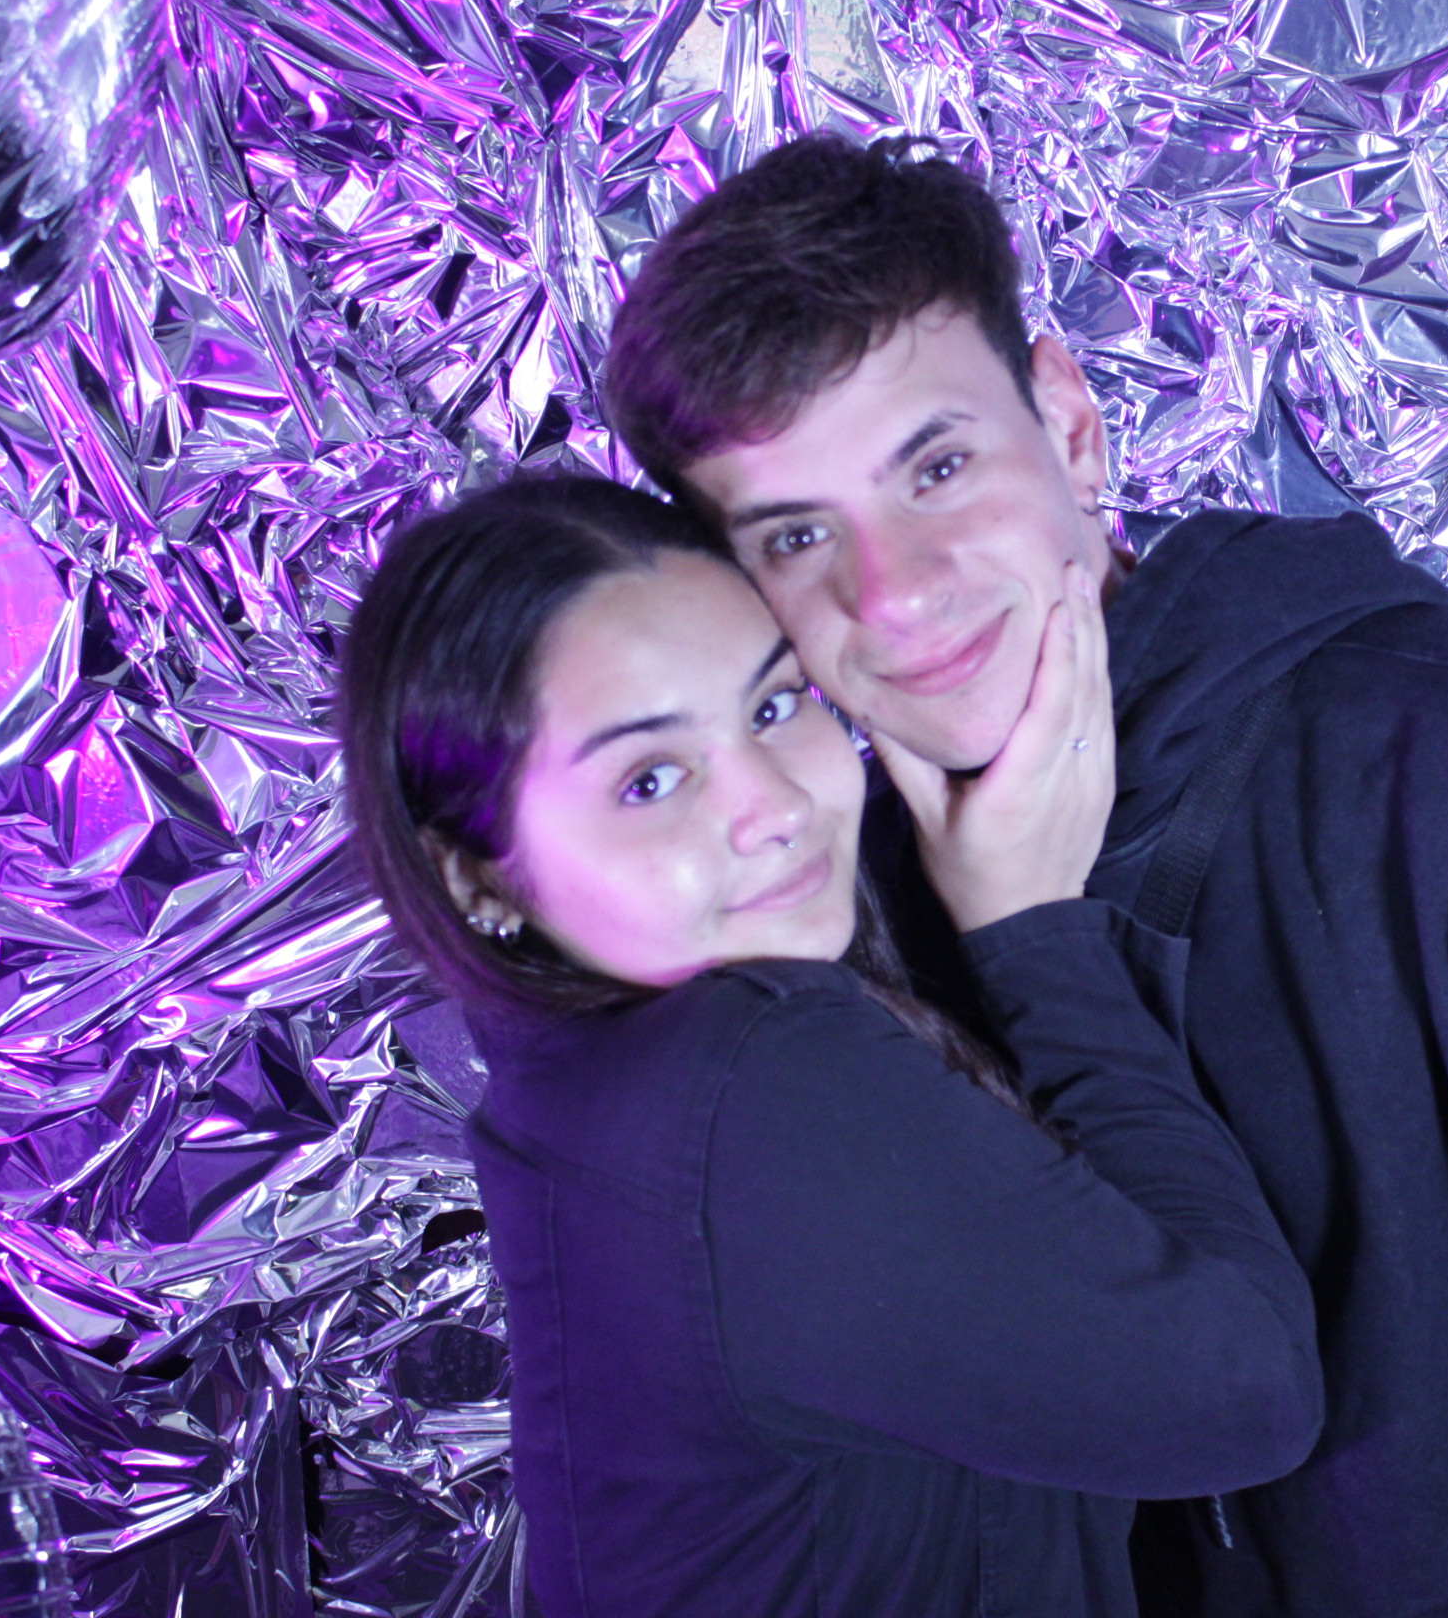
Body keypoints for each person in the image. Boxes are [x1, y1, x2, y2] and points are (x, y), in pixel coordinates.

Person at [599, 134, 1448, 1618]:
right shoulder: (837, 925)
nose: (893, 592)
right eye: (797, 535)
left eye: (937, 467)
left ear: (1069, 427)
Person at [335, 474, 1322, 1618]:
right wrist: (1039, 933)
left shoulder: (578, 1075)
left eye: (773, 706)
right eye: (651, 779)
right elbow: (1250, 1396)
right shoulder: (749, 1081)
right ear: (476, 873)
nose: (778, 806)